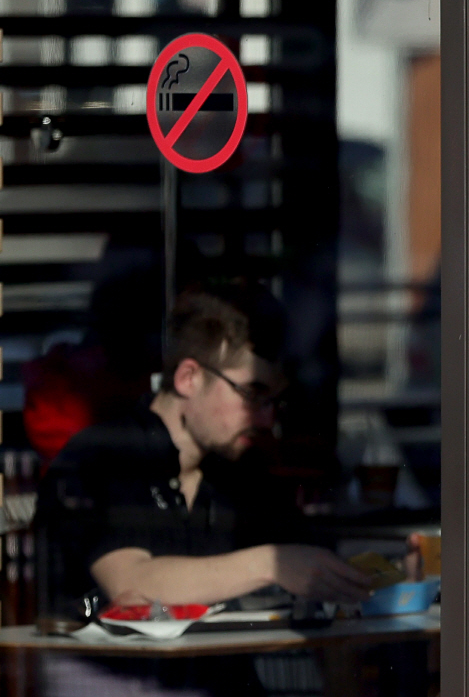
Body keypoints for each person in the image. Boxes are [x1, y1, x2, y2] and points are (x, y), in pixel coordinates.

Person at [34, 282, 372, 694]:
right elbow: (132, 584)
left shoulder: (241, 472)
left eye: (275, 403)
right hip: (114, 678)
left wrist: (383, 580)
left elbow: (312, 571)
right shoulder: (105, 454)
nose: (267, 420)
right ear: (189, 377)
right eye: (253, 394)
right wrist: (274, 563)